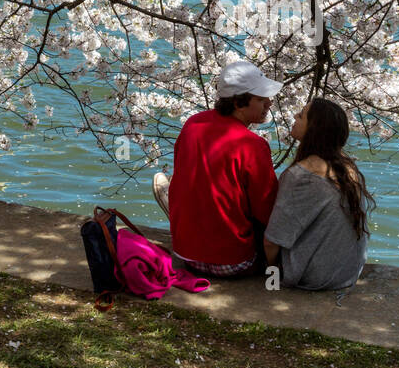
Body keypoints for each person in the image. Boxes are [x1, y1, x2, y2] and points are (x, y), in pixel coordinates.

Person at [152, 59, 281, 277]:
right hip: (235, 262)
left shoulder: (193, 124)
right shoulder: (254, 146)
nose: (269, 103)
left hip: (186, 254)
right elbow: (266, 210)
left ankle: (178, 211)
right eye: (261, 99)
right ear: (239, 103)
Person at [262, 98, 374, 291]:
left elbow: (272, 241)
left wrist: (271, 275)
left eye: (302, 115)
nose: (295, 117)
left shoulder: (302, 175)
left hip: (316, 276)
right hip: (347, 273)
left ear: (314, 128)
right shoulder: (348, 167)